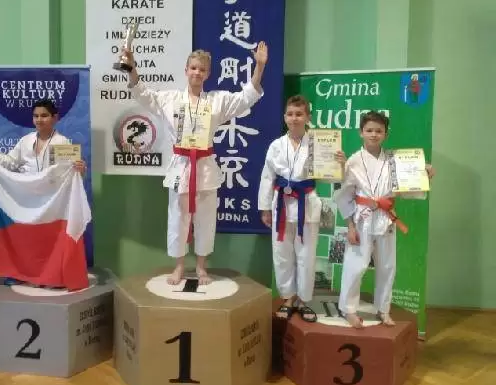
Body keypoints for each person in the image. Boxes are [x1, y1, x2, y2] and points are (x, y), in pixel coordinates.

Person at [124, 42, 268, 285]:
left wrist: (260, 66)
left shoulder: (217, 101)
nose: (197, 73)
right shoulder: (170, 99)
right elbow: (142, 93)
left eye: (202, 69)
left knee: (206, 220)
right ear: (186, 70)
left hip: (205, 168)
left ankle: (201, 267)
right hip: (180, 166)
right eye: (193, 68)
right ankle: (179, 266)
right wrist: (131, 68)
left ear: (208, 74)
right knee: (177, 219)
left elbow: (246, 97)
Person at [333, 111, 434, 328]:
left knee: (387, 265)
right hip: (362, 218)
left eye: (379, 131)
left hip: (385, 217)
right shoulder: (353, 161)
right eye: (369, 130)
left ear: (386, 134)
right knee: (356, 264)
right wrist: (350, 226)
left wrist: (424, 175)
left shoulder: (394, 161)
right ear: (361, 133)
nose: (374, 134)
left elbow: (406, 188)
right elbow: (344, 195)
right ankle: (348, 308)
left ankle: (383, 309)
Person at [0, 98, 88, 297]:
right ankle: (28, 275)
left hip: (53, 201)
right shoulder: (26, 141)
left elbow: (69, 173)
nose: (39, 120)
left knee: (50, 240)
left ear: (55, 118)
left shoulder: (62, 142)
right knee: (29, 239)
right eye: (36, 116)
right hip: (27, 199)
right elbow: (11, 163)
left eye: (44, 115)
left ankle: (52, 277)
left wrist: (80, 170)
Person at [258, 95, 346, 322]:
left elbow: (330, 179)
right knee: (282, 255)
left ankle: (304, 300)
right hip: (281, 205)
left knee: (306, 256)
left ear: (308, 117)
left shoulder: (319, 144)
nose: (294, 118)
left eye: (299, 114)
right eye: (290, 114)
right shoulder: (276, 146)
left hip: (306, 204)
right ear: (284, 117)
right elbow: (267, 177)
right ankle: (288, 298)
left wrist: (339, 165)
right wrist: (265, 208)